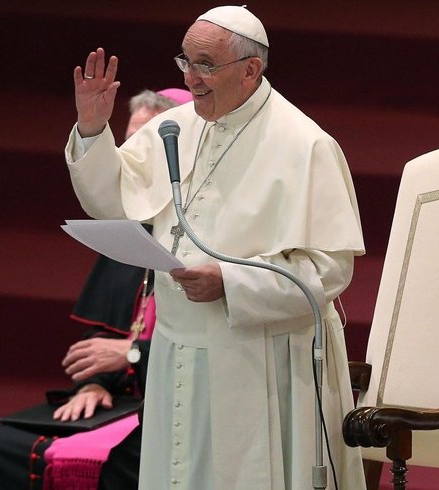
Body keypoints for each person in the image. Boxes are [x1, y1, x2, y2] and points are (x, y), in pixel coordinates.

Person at [65, 6, 366, 490]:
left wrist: (230, 282)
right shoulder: (177, 126)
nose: (191, 78)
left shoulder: (305, 145)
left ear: (252, 69)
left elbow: (327, 271)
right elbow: (113, 199)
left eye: (206, 65)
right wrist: (93, 130)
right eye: (185, 62)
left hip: (260, 356)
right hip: (175, 348)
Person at [0, 88, 191, 490]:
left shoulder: (206, 236)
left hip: (178, 409)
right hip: (119, 401)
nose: (131, 154)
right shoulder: (131, 228)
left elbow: (213, 348)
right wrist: (92, 383)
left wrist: (132, 355)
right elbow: (100, 337)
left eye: (145, 142)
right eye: (127, 140)